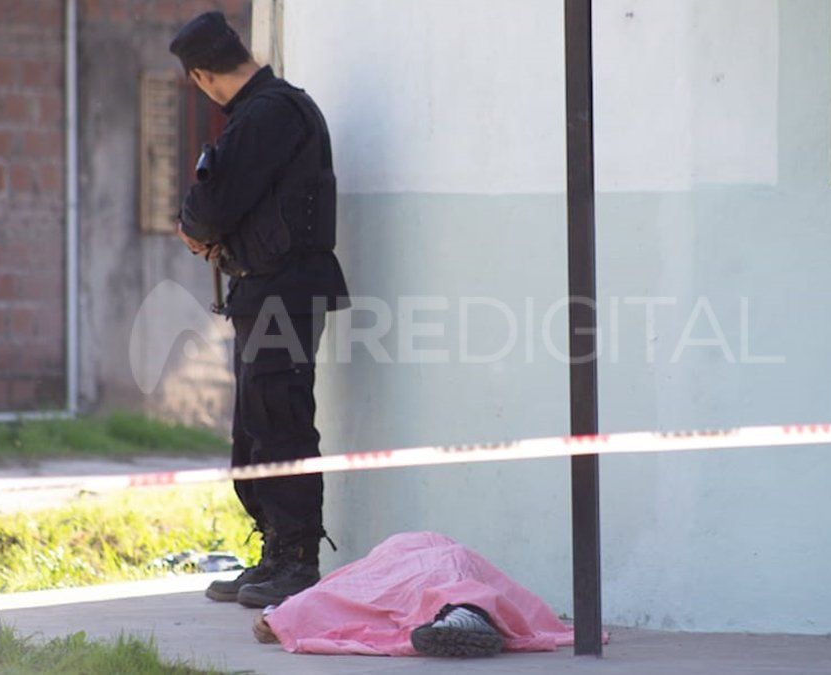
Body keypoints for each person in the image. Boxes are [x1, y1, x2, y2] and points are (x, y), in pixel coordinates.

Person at [168, 11, 348, 608]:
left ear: (201, 76)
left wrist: (195, 228)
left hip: (284, 288)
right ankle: (276, 553)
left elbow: (213, 205)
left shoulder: (269, 113)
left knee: (280, 420)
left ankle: (297, 562)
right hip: (265, 288)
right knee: (255, 429)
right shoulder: (266, 112)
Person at [250, 532, 581, 658]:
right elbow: (334, 589)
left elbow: (330, 592)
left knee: (451, 570)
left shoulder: (447, 551)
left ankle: (462, 617)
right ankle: (463, 617)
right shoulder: (382, 561)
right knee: (452, 580)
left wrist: (279, 618)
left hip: (437, 566)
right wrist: (278, 618)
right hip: (414, 573)